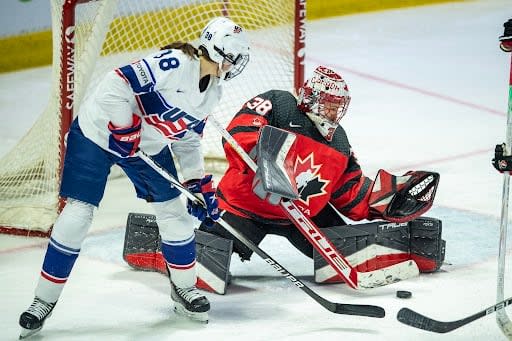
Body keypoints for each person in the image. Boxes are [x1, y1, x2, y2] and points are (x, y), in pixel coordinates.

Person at [19, 16, 250, 338]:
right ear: (218, 49)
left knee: (176, 214)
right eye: (235, 56)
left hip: (147, 146)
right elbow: (116, 84)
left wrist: (198, 182)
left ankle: (184, 290)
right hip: (97, 134)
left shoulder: (213, 92)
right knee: (78, 214)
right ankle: (42, 301)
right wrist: (124, 126)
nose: (236, 63)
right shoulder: (176, 63)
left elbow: (187, 139)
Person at [122, 65, 444, 292]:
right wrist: (268, 160)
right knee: (208, 266)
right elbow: (238, 133)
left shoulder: (339, 141)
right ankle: (159, 241)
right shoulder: (279, 103)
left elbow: (349, 191)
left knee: (351, 250)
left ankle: (412, 247)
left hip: (300, 216)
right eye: (329, 106)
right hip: (244, 209)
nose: (333, 114)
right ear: (312, 98)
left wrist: (387, 199)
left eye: (338, 108)